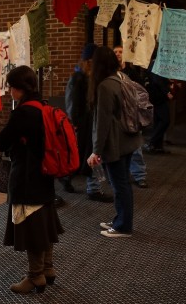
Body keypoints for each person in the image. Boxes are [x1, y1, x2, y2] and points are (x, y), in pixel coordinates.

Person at [0, 65, 63, 293]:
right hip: (45, 176)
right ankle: (48, 269)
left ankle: (35, 276)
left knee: (33, 228)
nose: (10, 92)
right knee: (44, 224)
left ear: (19, 89)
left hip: (26, 179)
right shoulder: (45, 107)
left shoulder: (23, 113)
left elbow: (0, 143)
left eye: (11, 88)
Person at [86, 46, 143, 238]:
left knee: (120, 185)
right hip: (129, 138)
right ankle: (121, 219)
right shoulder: (122, 78)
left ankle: (123, 226)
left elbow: (102, 122)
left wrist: (96, 150)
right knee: (123, 183)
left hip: (115, 143)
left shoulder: (104, 86)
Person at [62, 43, 113, 202]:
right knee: (88, 155)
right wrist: (74, 123)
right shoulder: (78, 78)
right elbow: (72, 102)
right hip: (83, 125)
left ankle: (72, 180)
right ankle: (91, 188)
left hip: (90, 123)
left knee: (86, 156)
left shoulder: (91, 77)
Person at [113, 45, 149, 188]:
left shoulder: (132, 73)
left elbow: (140, 94)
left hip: (131, 115)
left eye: (120, 52)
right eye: (115, 52)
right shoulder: (110, 73)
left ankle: (140, 175)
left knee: (135, 147)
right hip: (117, 116)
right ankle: (122, 175)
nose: (117, 54)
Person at [144, 54, 173, 154]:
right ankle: (151, 142)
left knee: (158, 121)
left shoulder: (152, 64)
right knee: (165, 120)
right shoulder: (156, 64)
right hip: (158, 97)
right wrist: (167, 92)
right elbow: (157, 80)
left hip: (155, 97)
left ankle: (157, 146)